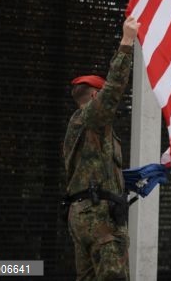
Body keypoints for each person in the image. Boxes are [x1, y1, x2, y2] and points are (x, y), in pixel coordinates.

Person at [62, 15, 139, 281]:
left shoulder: (80, 127)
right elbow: (115, 87)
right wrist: (127, 41)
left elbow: (93, 169)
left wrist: (124, 180)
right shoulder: (92, 116)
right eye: (102, 94)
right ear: (95, 96)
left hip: (81, 214)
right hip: (100, 219)